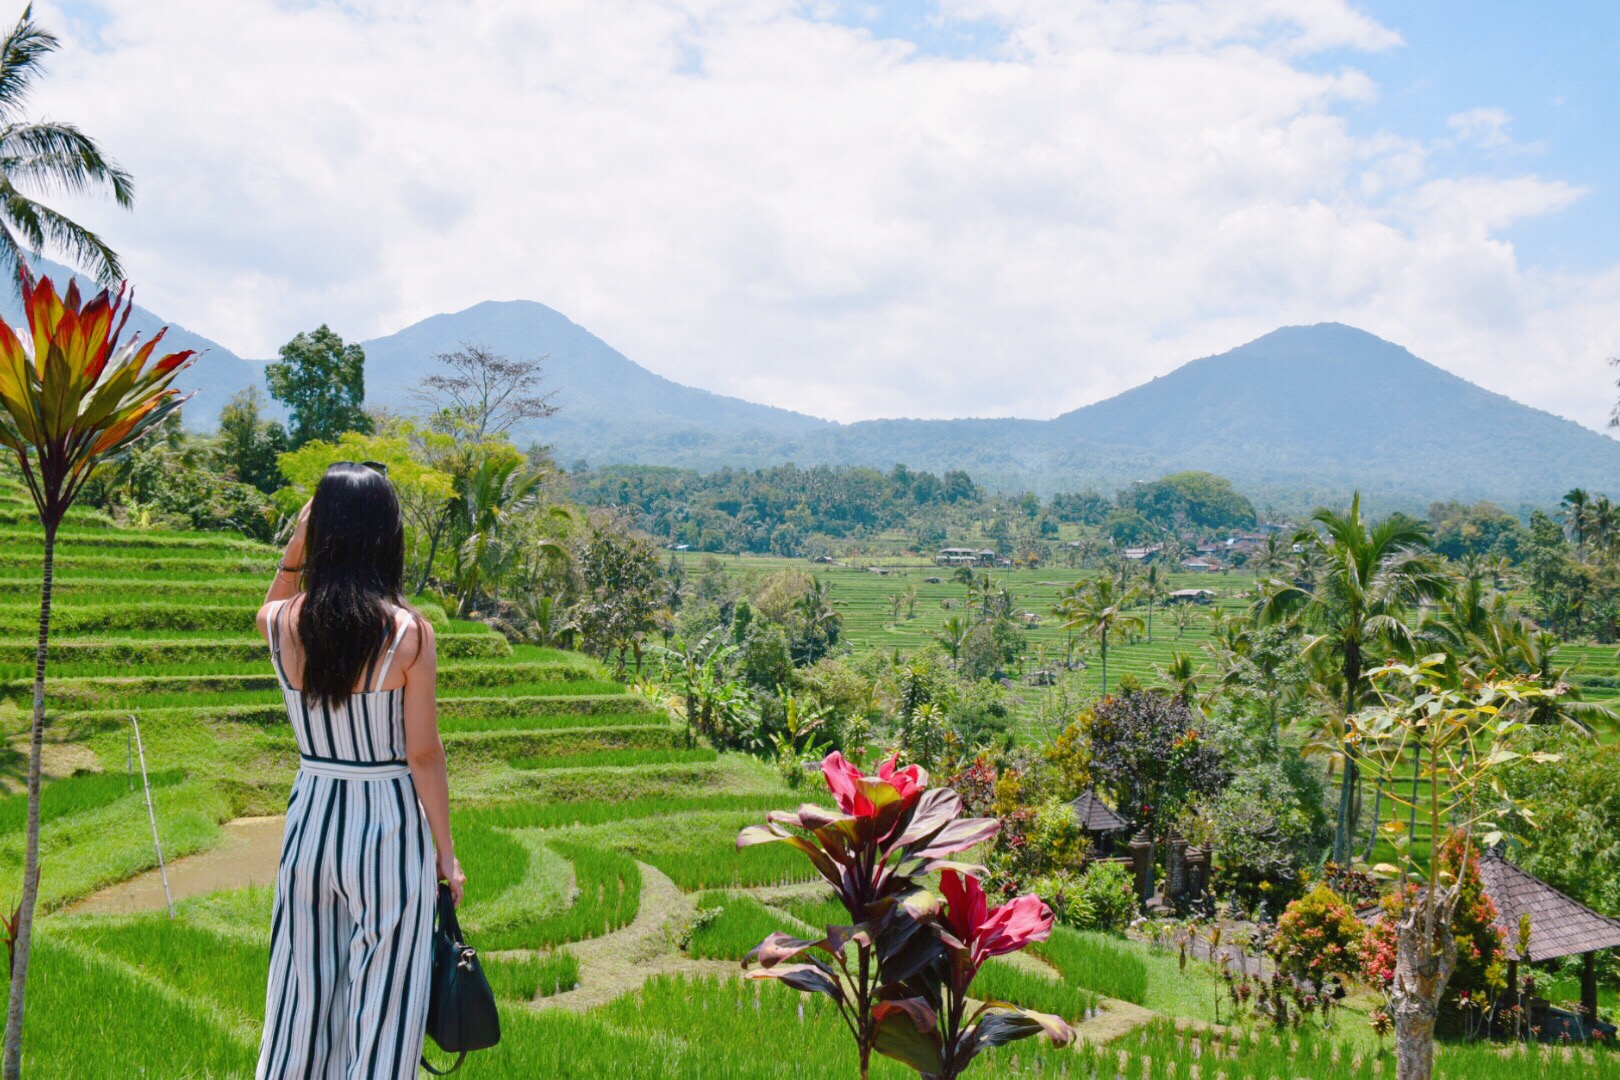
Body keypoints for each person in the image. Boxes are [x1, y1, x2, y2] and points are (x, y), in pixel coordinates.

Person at [253, 462, 466, 1080]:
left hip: (312, 820)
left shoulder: (284, 624)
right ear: (386, 534)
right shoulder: (407, 634)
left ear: (321, 530)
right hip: (388, 829)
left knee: (300, 999)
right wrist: (445, 854)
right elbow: (423, 754)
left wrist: (296, 544)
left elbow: (268, 604)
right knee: (382, 1007)